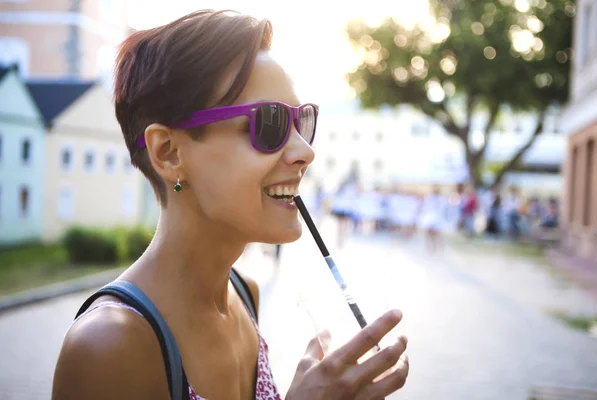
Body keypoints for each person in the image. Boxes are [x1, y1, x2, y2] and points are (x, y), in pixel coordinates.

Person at [51, 10, 409, 400]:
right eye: (269, 123)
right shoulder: (109, 346)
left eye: (302, 120)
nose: (305, 152)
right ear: (169, 153)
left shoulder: (244, 295)